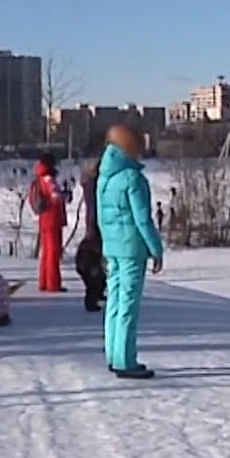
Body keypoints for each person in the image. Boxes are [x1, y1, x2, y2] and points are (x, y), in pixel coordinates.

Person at [97, 124, 164, 378]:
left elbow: (103, 218)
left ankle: (114, 355)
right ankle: (126, 360)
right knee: (128, 304)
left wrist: (105, 244)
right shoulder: (132, 179)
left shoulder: (105, 178)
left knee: (114, 302)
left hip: (112, 247)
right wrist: (155, 249)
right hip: (132, 249)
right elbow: (143, 220)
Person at [29, 153, 67, 293]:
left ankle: (44, 281)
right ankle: (53, 283)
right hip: (52, 218)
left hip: (44, 219)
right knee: (53, 252)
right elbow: (55, 197)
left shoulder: (39, 177)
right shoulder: (48, 178)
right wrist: (65, 195)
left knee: (46, 252)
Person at [75, 158, 107, 312]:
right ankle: (93, 296)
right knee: (94, 265)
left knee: (96, 263)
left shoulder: (90, 183)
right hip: (96, 226)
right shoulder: (95, 185)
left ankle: (97, 293)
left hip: (94, 226)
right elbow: (95, 207)